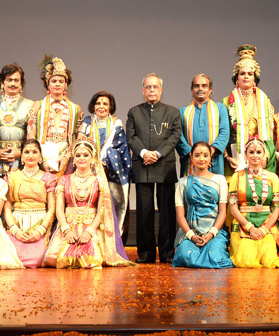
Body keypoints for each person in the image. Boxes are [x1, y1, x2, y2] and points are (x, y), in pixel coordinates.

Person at [43, 137, 133, 268]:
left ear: (93, 159)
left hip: (91, 225)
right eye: (78, 155)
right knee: (52, 259)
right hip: (68, 224)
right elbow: (59, 209)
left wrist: (89, 231)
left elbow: (101, 210)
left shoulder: (99, 181)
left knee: (93, 258)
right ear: (73, 159)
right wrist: (66, 230)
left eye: (86, 155)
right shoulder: (64, 179)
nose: (81, 158)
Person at [126, 73, 182, 264]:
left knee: (167, 212)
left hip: (164, 167)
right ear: (143, 90)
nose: (152, 90)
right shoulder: (134, 112)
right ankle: (146, 253)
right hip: (142, 167)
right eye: (148, 87)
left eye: (155, 87)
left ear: (161, 89)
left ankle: (167, 253)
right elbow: (131, 137)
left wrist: (157, 154)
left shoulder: (173, 112)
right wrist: (143, 153)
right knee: (144, 212)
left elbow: (175, 136)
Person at [227, 138, 279, 268]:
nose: (255, 155)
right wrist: (250, 228)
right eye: (251, 152)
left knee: (269, 258)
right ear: (245, 155)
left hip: (267, 223)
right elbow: (233, 209)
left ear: (264, 155)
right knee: (245, 259)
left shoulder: (272, 177)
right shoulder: (237, 176)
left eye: (259, 152)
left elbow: (277, 209)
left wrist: (264, 229)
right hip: (244, 224)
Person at [172, 142, 233, 269]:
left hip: (214, 231)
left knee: (215, 257)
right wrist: (191, 236)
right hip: (190, 231)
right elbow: (180, 216)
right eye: (197, 155)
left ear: (210, 157)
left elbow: (222, 212)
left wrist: (211, 233)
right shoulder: (182, 183)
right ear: (191, 157)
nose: (201, 159)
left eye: (205, 155)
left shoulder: (220, 180)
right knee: (185, 255)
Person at [79, 91, 132, 231]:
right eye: (98, 103)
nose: (101, 106)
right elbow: (80, 144)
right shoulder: (86, 122)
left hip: (111, 171)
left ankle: (113, 240)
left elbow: (121, 149)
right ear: (93, 105)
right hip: (89, 170)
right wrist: (94, 161)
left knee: (111, 205)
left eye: (105, 104)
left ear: (110, 107)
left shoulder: (117, 124)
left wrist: (107, 162)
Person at [223, 45, 276, 175]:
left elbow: (269, 132)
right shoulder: (226, 102)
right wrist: (227, 157)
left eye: (250, 74)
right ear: (237, 78)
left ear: (255, 78)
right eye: (242, 73)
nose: (246, 76)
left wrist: (266, 156)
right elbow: (223, 132)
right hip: (235, 155)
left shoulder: (264, 101)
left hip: (259, 154)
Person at [4, 139, 57, 268]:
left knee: (37, 259)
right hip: (17, 224)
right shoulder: (11, 177)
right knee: (10, 258)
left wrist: (40, 231)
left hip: (40, 224)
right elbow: (6, 208)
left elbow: (52, 208)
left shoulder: (48, 178)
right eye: (26, 152)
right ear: (21, 157)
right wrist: (15, 230)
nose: (30, 155)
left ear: (40, 156)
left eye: (34, 151)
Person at [27, 55, 82, 176]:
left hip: (66, 156)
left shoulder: (75, 109)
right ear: (48, 84)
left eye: (61, 81)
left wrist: (67, 157)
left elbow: (79, 138)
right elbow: (31, 136)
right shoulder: (37, 106)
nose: (57, 84)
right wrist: (41, 160)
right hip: (42, 154)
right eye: (54, 81)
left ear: (66, 85)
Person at [0, 63, 35, 178]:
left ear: (21, 84)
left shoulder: (30, 105)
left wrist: (21, 152)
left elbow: (33, 135)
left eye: (16, 80)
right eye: (9, 80)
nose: (13, 83)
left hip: (21, 157)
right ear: (2, 83)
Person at [177, 73, 230, 176]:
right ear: (192, 90)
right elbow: (178, 136)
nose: (200, 88)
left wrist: (208, 154)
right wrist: (194, 156)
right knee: (189, 190)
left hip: (214, 161)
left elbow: (224, 133)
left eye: (204, 86)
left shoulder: (220, 109)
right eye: (196, 86)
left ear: (210, 90)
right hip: (190, 161)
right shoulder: (183, 111)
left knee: (214, 190)